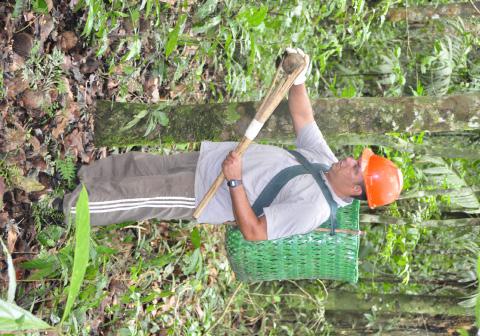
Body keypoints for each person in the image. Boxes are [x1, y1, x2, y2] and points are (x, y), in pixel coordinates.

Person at [63, 48, 403, 241]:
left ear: (357, 188)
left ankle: (67, 208)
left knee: (138, 196)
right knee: (139, 167)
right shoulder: (324, 162)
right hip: (209, 161)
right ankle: (84, 178)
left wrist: (235, 181)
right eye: (357, 159)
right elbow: (303, 116)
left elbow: (255, 232)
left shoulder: (314, 208)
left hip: (208, 191)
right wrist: (298, 77)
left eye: (356, 167)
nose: (348, 160)